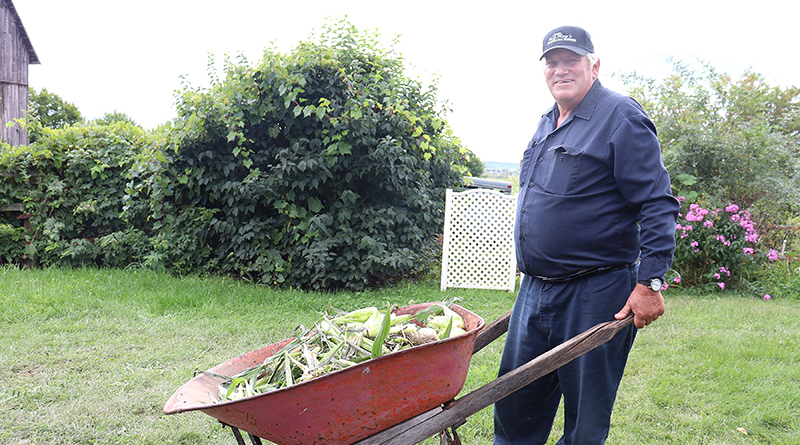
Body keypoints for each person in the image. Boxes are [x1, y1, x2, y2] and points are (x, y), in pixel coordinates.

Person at [493, 26, 680, 445]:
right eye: (552, 62)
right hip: (535, 290)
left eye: (571, 60)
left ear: (594, 66)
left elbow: (657, 202)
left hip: (594, 293)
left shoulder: (620, 117)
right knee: (515, 406)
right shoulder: (547, 122)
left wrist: (650, 282)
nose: (560, 69)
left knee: (585, 420)